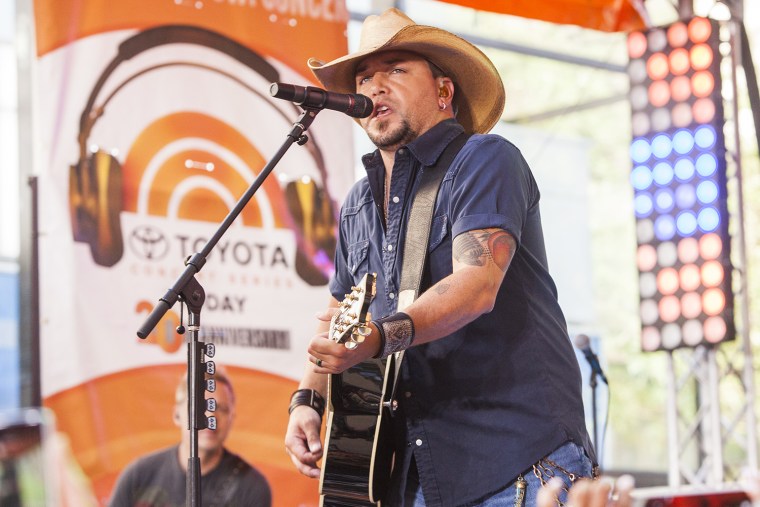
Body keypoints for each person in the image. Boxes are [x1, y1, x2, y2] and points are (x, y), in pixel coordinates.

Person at [284, 7, 597, 506]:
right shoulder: (359, 207)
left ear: (444, 91)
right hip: (412, 475)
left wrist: (377, 337)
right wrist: (308, 399)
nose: (374, 86)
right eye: (365, 77)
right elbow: (341, 320)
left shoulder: (485, 160)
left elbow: (475, 286)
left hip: (514, 458)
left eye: (396, 71)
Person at [109, 367, 271, 507]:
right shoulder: (138, 475)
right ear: (177, 415)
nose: (210, 417)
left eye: (221, 409)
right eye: (201, 406)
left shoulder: (251, 485)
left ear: (231, 418)